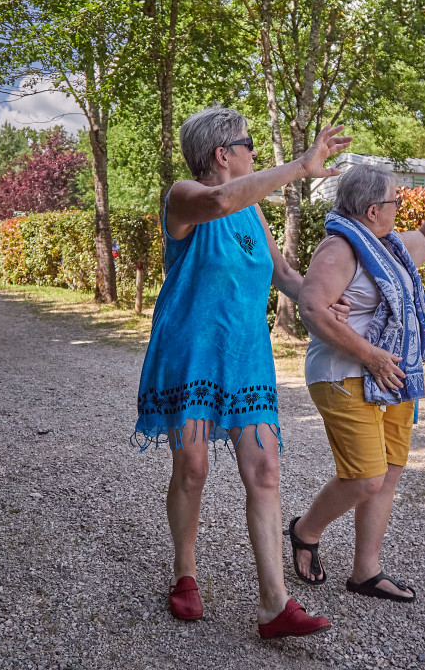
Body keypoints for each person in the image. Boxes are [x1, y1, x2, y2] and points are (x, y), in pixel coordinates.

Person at [133, 106, 351, 639]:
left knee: (265, 472)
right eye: (249, 143)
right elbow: (219, 199)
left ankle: (274, 604)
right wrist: (301, 165)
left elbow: (281, 273)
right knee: (193, 467)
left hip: (247, 356)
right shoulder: (184, 196)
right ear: (222, 154)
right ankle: (185, 574)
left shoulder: (253, 212)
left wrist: (321, 302)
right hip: (192, 354)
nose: (255, 151)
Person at [287, 147, 425, 602]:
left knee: (388, 473)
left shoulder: (387, 246)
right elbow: (312, 308)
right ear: (374, 210)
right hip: (345, 372)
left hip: (391, 373)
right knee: (366, 477)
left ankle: (365, 572)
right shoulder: (340, 248)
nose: (400, 207)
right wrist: (372, 355)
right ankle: (304, 530)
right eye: (396, 201)